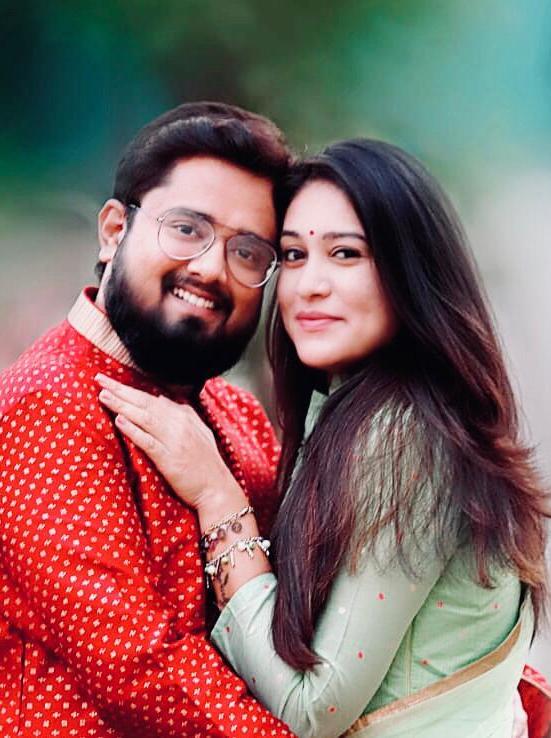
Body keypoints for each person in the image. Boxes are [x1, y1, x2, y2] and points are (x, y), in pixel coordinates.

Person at [98, 139, 550, 738]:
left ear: (411, 272)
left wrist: (217, 498)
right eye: (293, 254)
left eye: (345, 253)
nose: (309, 284)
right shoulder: (361, 416)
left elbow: (313, 709)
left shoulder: (405, 439)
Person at [0, 101, 297, 737]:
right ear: (114, 231)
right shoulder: (46, 406)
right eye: (187, 229)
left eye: (248, 252)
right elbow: (140, 668)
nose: (211, 268)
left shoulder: (239, 417)